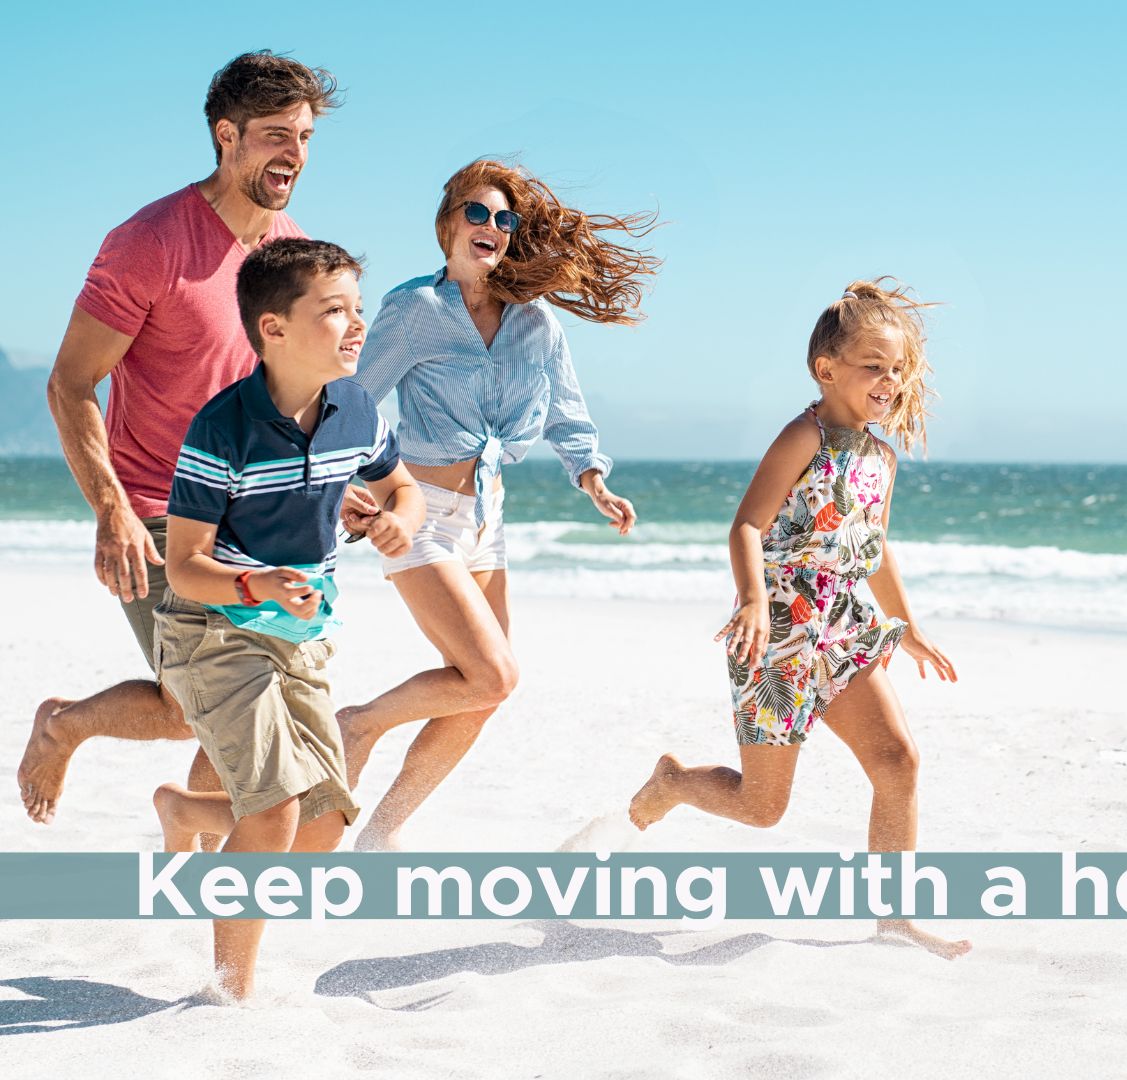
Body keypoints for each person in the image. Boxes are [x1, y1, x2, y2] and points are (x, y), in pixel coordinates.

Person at [21, 50, 342, 825]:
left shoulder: (289, 248)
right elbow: (70, 383)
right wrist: (111, 511)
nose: (293, 154)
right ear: (226, 136)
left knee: (218, 697)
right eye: (274, 135)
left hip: (255, 512)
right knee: (212, 699)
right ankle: (67, 729)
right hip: (162, 510)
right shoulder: (150, 242)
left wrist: (335, 480)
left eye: (303, 136)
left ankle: (190, 815)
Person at [626, 279, 969, 959]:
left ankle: (894, 917)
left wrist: (910, 625)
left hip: (842, 623)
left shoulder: (881, 458)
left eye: (897, 369)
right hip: (778, 630)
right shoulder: (803, 436)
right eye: (873, 365)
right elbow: (747, 525)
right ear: (827, 369)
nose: (888, 380)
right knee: (763, 808)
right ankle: (674, 782)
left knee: (897, 761)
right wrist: (753, 599)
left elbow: (872, 552)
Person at [337, 159, 653, 849]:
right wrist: (340, 483)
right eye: (477, 214)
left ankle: (382, 831)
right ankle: (357, 724)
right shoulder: (414, 310)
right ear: (449, 223)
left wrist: (593, 480)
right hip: (418, 512)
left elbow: (568, 412)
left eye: (503, 219)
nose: (490, 227)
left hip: (487, 520)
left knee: (486, 691)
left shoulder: (534, 323)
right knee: (491, 671)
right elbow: (352, 400)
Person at [150, 239, 423, 1000]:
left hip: (301, 635)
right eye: (334, 311)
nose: (356, 325)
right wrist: (258, 583)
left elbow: (401, 488)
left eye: (358, 309)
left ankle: (184, 809)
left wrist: (399, 516)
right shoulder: (222, 430)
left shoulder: (356, 408)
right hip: (214, 628)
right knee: (272, 813)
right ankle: (227, 990)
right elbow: (184, 565)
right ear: (272, 330)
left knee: (325, 825)